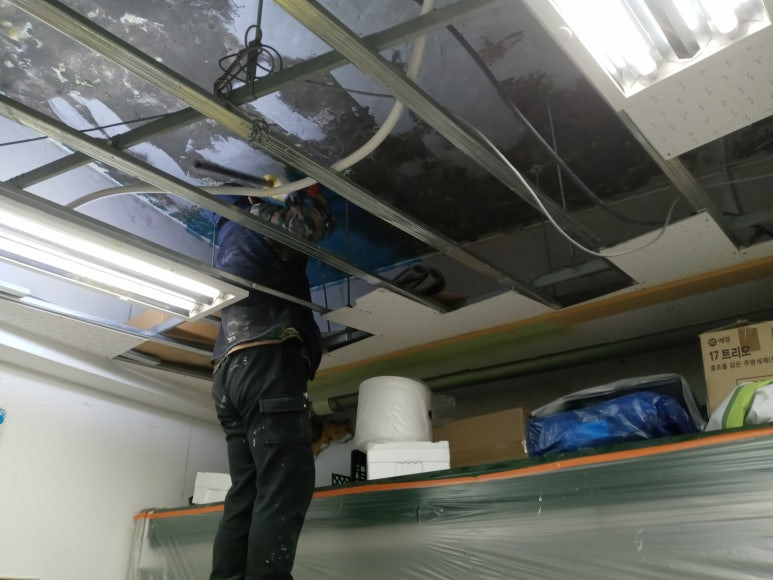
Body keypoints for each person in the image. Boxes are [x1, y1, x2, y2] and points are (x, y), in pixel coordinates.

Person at [208, 176, 334, 580]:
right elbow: (308, 227)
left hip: (228, 373)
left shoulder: (226, 233)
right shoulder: (257, 216)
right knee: (284, 483)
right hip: (266, 359)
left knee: (245, 492)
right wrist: (305, 193)